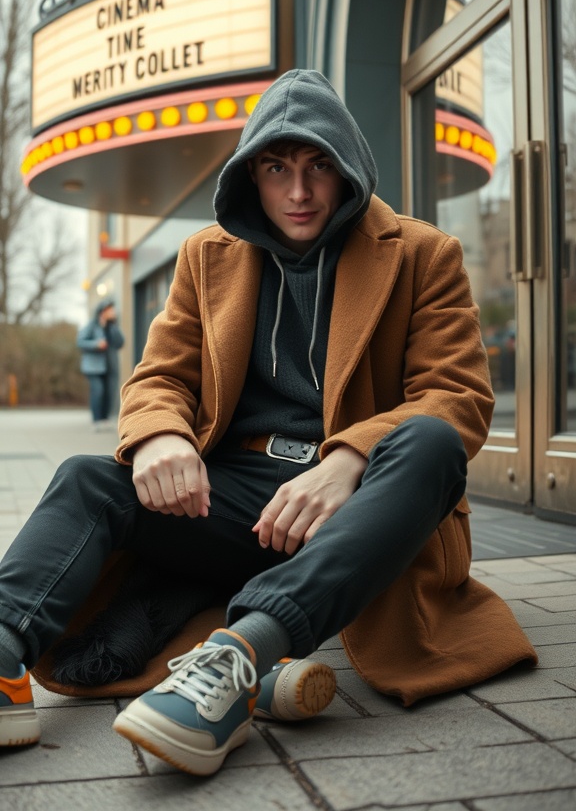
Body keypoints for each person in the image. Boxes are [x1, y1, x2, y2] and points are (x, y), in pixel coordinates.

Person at [0, 70, 536, 773]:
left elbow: (456, 395)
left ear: (348, 168)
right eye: (276, 168)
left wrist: (346, 462)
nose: (299, 191)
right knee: (88, 479)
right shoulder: (206, 257)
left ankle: (237, 659)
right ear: (250, 176)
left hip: (367, 503)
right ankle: (5, 657)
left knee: (433, 441)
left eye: (318, 166)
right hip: (238, 500)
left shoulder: (422, 253)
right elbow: (161, 375)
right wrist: (162, 434)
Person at [77, 299, 125, 428]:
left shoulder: (113, 326)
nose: (112, 312)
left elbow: (120, 342)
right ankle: (96, 420)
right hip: (94, 367)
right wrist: (96, 344)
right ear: (103, 311)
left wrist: (113, 326)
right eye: (110, 310)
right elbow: (80, 342)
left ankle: (105, 419)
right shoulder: (92, 325)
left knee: (109, 392)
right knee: (98, 391)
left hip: (110, 365)